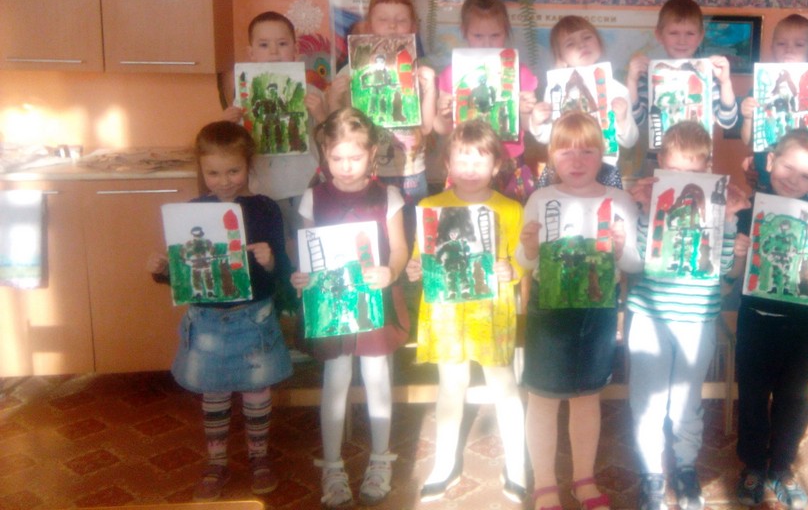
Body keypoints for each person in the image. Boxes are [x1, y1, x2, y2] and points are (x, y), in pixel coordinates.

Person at [149, 121, 293, 500]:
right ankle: (216, 460)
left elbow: (282, 272)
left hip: (253, 318)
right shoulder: (192, 212)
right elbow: (187, 276)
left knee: (256, 392)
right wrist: (163, 270)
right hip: (208, 321)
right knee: (214, 393)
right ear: (201, 169)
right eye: (213, 173)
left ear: (249, 165)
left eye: (233, 171)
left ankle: (259, 456)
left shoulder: (265, 209)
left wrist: (270, 260)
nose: (224, 181)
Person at [516, 112, 640, 510]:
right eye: (566, 151)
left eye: (587, 151)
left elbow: (634, 263)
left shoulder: (619, 200)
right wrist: (529, 247)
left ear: (602, 155)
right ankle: (545, 483)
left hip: (597, 311)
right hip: (549, 313)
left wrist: (620, 249)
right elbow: (524, 261)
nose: (577, 159)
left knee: (587, 397)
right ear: (551, 155)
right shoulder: (540, 199)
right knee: (543, 397)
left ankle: (583, 479)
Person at [289, 108, 410, 509]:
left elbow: (399, 249)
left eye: (354, 157)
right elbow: (306, 253)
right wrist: (301, 276)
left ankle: (380, 459)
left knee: (377, 377)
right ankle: (332, 465)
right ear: (324, 154)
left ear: (372, 153)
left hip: (374, 300)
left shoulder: (387, 197)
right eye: (336, 157)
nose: (345, 166)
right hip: (331, 305)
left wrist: (390, 272)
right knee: (335, 378)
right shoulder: (314, 197)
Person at [624, 121, 747, 510]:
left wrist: (730, 222)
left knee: (686, 400)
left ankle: (685, 466)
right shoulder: (649, 202)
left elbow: (723, 271)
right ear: (661, 163)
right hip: (650, 317)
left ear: (708, 168)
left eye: (692, 172)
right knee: (647, 401)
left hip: (697, 318)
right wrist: (644, 211)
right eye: (674, 170)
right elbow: (639, 260)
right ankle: (652, 475)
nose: (681, 179)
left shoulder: (720, 211)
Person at [406, 120, 527, 503]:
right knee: (451, 385)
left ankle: (517, 464)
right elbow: (420, 258)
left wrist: (512, 269)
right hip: (447, 311)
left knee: (504, 385)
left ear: (496, 166)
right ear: (447, 165)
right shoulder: (430, 207)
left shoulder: (510, 209)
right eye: (462, 159)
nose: (470, 168)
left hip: (492, 309)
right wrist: (414, 268)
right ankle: (444, 464)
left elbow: (523, 260)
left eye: (480, 159)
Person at [728, 129, 808, 510]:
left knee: (794, 402)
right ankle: (752, 465)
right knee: (752, 397)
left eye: (806, 175)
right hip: (756, 321)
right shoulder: (749, 212)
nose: (794, 179)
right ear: (771, 161)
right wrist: (739, 255)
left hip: (804, 326)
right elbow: (733, 275)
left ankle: (781, 467)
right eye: (788, 167)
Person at [325, 0, 438, 241]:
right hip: (367, 172)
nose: (392, 26)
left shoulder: (421, 70)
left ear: (413, 27)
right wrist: (334, 99)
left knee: (413, 233)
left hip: (410, 171)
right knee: (377, 232)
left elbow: (427, 127)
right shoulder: (351, 71)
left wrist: (430, 89)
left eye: (401, 20)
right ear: (369, 26)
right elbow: (338, 129)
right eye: (383, 20)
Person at [222, 11, 327, 267]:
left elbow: (329, 140)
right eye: (263, 45)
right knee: (273, 251)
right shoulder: (243, 96)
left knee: (309, 250)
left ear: (295, 50)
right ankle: (282, 290)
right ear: (251, 53)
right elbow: (233, 147)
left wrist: (321, 115)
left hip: (305, 186)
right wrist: (227, 123)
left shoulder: (312, 92)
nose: (273, 52)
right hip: (264, 189)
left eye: (282, 43)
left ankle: (307, 287)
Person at [434, 0, 539, 201]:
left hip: (509, 160)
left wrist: (526, 111)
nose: (487, 43)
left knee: (512, 215)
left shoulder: (519, 72)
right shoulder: (452, 74)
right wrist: (444, 113)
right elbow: (442, 128)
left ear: (506, 32)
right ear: (464, 32)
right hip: (468, 162)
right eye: (478, 36)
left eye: (495, 35)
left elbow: (528, 126)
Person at [529, 15, 639, 188]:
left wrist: (622, 119)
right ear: (561, 57)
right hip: (562, 170)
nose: (581, 45)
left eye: (587, 37)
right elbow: (547, 137)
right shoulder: (555, 89)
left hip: (604, 169)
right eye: (570, 44)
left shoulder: (618, 91)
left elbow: (630, 141)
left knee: (602, 206)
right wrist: (536, 122)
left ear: (599, 43)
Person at [627, 0, 739, 152]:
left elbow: (727, 121)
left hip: (698, 157)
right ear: (659, 35)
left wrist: (725, 82)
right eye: (673, 33)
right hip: (659, 157)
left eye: (690, 33)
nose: (682, 41)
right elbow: (638, 119)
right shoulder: (648, 75)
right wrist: (632, 81)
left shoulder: (708, 75)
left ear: (700, 36)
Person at [738, 13, 808, 192]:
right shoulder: (760, 88)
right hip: (765, 176)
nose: (789, 50)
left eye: (799, 45)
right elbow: (748, 141)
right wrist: (747, 118)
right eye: (781, 44)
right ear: (772, 48)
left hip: (804, 182)